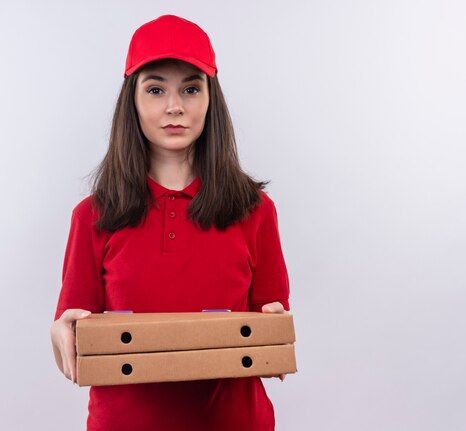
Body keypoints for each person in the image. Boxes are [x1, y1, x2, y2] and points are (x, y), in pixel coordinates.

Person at [51, 14, 291, 431]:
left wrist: (275, 331)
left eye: (191, 89)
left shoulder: (256, 211)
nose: (174, 106)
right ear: (133, 101)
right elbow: (75, 338)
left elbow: (269, 336)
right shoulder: (92, 217)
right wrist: (63, 334)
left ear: (210, 98)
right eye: (156, 89)